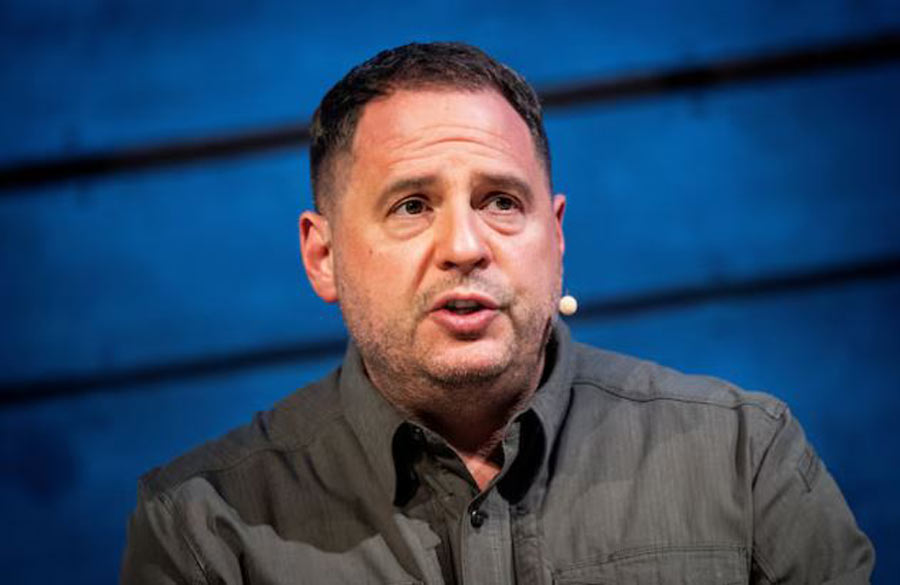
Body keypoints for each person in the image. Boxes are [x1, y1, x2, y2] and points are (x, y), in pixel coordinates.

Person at [120, 42, 874, 584]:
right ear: (324, 256)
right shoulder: (204, 525)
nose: (464, 246)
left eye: (501, 202)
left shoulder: (743, 457)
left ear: (556, 237)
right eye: (412, 206)